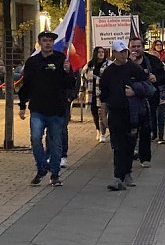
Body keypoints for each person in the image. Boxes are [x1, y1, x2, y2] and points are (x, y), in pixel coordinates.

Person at [18, 30, 76, 187]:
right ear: (40, 43)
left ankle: (55, 174)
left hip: (56, 109)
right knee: (36, 139)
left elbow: (70, 84)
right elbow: (26, 85)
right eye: (45, 40)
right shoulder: (32, 62)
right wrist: (22, 105)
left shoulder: (60, 59)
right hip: (37, 109)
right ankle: (42, 167)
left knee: (55, 143)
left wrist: (67, 72)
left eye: (50, 40)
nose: (48, 43)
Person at [98, 40, 153, 191]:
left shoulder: (134, 68)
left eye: (125, 52)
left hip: (132, 113)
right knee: (117, 146)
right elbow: (103, 96)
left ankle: (127, 172)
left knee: (129, 145)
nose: (123, 54)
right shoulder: (108, 72)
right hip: (115, 113)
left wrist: (135, 91)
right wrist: (103, 116)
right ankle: (118, 177)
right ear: (114, 53)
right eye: (120, 52)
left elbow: (149, 88)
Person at [128, 36, 165, 164]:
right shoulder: (126, 62)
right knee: (131, 128)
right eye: (133, 47)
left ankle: (145, 157)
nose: (136, 49)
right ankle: (131, 151)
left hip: (148, 99)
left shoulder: (152, 60)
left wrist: (156, 78)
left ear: (142, 47)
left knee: (145, 128)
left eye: (138, 46)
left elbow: (163, 76)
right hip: (130, 100)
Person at [83, 46, 111, 143]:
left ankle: (103, 133)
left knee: (102, 113)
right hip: (92, 92)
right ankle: (98, 130)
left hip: (103, 93)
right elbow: (84, 76)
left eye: (102, 52)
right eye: (99, 52)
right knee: (95, 113)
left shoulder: (108, 64)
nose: (101, 54)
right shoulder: (90, 65)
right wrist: (82, 90)